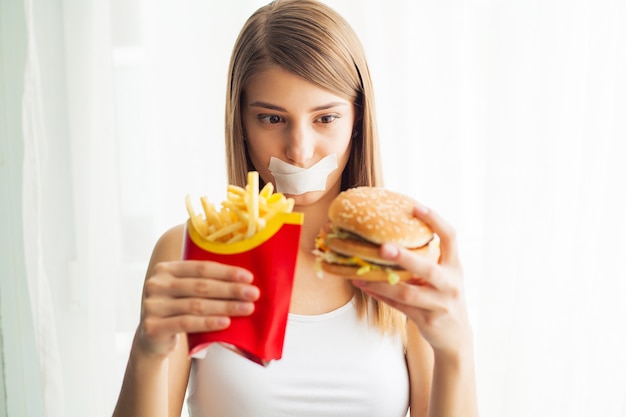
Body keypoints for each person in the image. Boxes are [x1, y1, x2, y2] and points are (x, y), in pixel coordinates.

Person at [112, 0, 479, 416]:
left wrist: (458, 349)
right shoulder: (191, 251)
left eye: (325, 119)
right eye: (272, 119)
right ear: (241, 123)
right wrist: (147, 352)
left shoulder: (402, 259)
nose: (299, 151)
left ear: (357, 120)